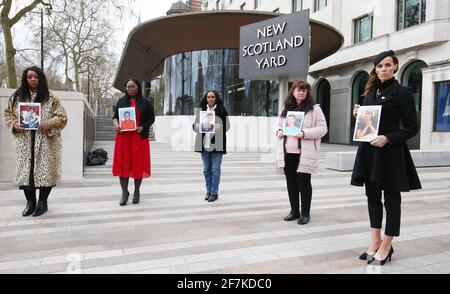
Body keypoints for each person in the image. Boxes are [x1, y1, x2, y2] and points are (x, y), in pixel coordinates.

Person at [351, 50, 422, 265]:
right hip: (369, 153)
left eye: (387, 65)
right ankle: (375, 240)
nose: (383, 69)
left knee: (391, 201)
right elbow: (368, 124)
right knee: (372, 197)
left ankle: (387, 244)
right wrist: (359, 115)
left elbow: (411, 128)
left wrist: (388, 138)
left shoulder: (403, 93)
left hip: (391, 154)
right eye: (379, 66)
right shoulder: (369, 93)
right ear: (375, 69)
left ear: (395, 67)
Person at [3, 66, 67, 217]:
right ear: (25, 79)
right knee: (26, 172)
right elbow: (7, 114)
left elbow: (62, 118)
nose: (33, 79)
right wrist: (14, 124)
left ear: (41, 78)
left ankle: (42, 202)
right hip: (24, 140)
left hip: (45, 141)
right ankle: (30, 202)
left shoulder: (51, 97)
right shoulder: (17, 97)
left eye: (36, 77)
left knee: (45, 172)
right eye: (30, 77)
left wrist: (48, 124)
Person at [276, 81, 327, 225]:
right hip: (288, 153)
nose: (301, 93)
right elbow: (279, 125)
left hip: (305, 153)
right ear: (293, 91)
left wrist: (304, 133)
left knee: (304, 183)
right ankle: (294, 211)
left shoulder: (315, 109)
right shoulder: (285, 108)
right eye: (299, 90)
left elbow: (323, 129)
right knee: (291, 183)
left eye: (304, 90)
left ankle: (305, 213)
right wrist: (278, 131)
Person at [113, 79, 155, 206]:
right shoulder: (121, 102)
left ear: (138, 87)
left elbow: (151, 118)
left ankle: (137, 191)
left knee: (138, 165)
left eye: (133, 86)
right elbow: (115, 117)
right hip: (123, 138)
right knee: (123, 165)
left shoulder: (146, 103)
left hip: (139, 138)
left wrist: (142, 127)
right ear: (125, 88)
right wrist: (116, 125)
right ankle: (124, 193)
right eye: (128, 87)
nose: (131, 89)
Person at [193, 90, 230, 202]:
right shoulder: (202, 111)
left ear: (216, 98)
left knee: (215, 169)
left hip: (217, 144)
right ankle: (208, 191)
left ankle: (214, 192)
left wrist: (219, 127)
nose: (210, 99)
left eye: (212, 97)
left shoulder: (221, 110)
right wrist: (198, 126)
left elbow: (227, 126)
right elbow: (194, 127)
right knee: (206, 170)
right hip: (204, 144)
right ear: (206, 98)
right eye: (208, 97)